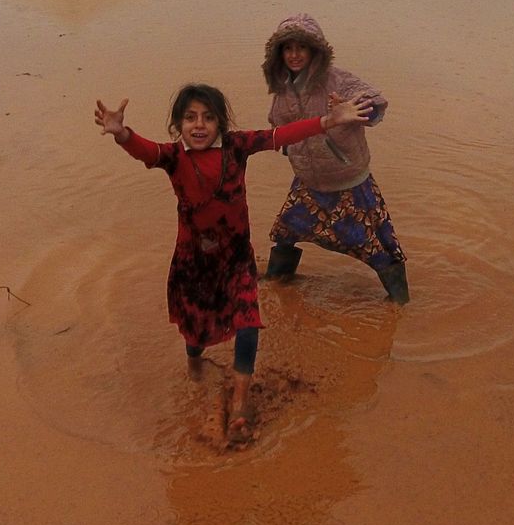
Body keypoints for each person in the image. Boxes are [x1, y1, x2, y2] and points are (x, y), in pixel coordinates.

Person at [94, 84, 375, 442]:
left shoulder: (236, 147)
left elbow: (280, 135)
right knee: (195, 328)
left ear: (221, 124)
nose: (200, 125)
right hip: (192, 262)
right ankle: (195, 363)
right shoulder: (173, 157)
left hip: (236, 259)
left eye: (209, 118)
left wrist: (327, 120)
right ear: (178, 124)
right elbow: (143, 149)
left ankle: (241, 398)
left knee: (247, 319)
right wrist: (121, 133)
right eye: (191, 118)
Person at [260, 14, 409, 303]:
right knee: (286, 230)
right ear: (279, 53)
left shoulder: (338, 80)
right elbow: (277, 122)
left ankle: (400, 302)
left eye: (301, 48)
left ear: (315, 51)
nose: (294, 55)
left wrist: (352, 108)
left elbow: (376, 103)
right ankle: (277, 283)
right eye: (288, 48)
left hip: (349, 182)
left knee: (371, 245)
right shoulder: (283, 87)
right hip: (308, 182)